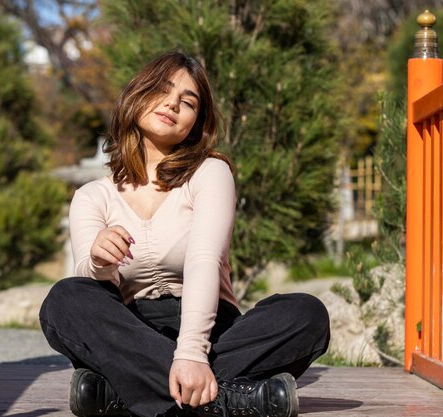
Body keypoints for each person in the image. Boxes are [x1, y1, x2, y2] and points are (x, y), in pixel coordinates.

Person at [40, 51, 330, 417]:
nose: (172, 104)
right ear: (136, 95)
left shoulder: (210, 172)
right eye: (162, 90)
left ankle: (123, 393)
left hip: (213, 332)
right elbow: (91, 284)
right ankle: (229, 401)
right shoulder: (92, 197)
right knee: (65, 299)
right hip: (132, 333)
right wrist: (98, 261)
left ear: (195, 123)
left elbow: (203, 259)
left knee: (306, 313)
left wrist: (192, 353)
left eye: (188, 102)